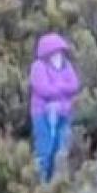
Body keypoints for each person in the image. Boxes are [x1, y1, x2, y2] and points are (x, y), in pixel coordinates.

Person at [28, 33, 82, 182]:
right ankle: (41, 183)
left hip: (64, 113)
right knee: (45, 149)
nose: (57, 55)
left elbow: (75, 85)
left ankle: (55, 184)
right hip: (43, 114)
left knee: (61, 149)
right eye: (54, 52)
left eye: (59, 52)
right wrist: (63, 90)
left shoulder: (67, 65)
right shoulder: (38, 67)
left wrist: (56, 89)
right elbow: (43, 89)